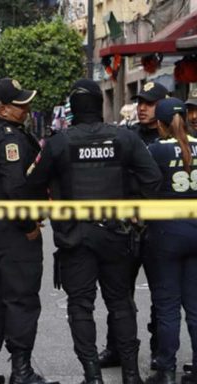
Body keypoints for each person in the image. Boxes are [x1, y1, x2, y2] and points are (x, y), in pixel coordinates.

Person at [28, 79, 162, 384]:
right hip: (117, 233)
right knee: (121, 302)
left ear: (73, 109)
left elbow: (34, 184)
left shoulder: (59, 143)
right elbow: (152, 178)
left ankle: (93, 375)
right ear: (100, 106)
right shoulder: (124, 139)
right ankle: (131, 375)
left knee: (81, 305)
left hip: (75, 237)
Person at [0, 78, 57, 384]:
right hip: (12, 231)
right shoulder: (10, 139)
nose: (26, 108)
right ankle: (21, 370)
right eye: (19, 105)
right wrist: (29, 224)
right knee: (21, 298)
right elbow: (15, 189)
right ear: (1, 109)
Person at [99, 81, 169, 370]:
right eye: (140, 102)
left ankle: (159, 349)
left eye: (149, 103)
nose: (142, 108)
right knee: (119, 292)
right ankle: (116, 347)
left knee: (161, 295)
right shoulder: (127, 136)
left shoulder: (176, 139)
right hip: (127, 226)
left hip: (159, 227)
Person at [143, 98, 197, 384]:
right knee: (195, 306)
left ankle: (165, 369)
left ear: (161, 124)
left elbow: (143, 189)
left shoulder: (154, 150)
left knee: (166, 305)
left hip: (166, 234)